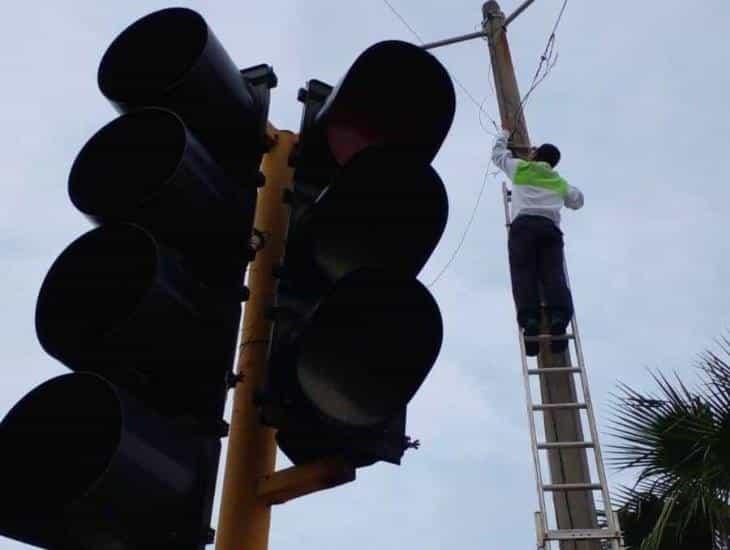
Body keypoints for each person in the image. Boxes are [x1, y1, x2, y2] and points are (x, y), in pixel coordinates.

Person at [492, 128, 583, 356]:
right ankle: (559, 319)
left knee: (524, 275)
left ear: (535, 155)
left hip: (523, 229)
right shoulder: (557, 180)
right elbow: (576, 201)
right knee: (553, 275)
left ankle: (530, 323)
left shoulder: (521, 168)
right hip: (549, 230)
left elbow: (498, 155)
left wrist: (503, 134)